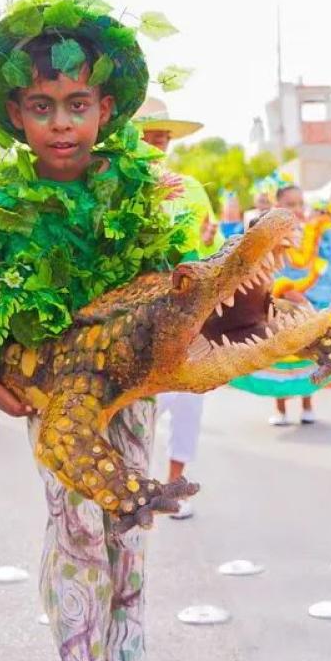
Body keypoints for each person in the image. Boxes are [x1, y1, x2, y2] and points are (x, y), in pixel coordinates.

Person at [0, 0, 193, 661]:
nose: (62, 123)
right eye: (42, 107)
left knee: (127, 518)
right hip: (51, 403)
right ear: (16, 114)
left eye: (78, 105)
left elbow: (179, 288)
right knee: (73, 522)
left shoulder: (141, 196)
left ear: (107, 110)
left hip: (131, 393)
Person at [136, 97, 209, 522]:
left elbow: (202, 244)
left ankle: (175, 483)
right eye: (150, 133)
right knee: (143, 400)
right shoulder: (114, 184)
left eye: (164, 133)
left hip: (185, 304)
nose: (160, 140)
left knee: (189, 395)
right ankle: (133, 483)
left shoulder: (192, 187)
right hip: (135, 309)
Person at [230, 176, 331, 425]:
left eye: (300, 203)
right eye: (290, 204)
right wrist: (279, 293)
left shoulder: (311, 234)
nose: (297, 209)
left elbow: (329, 266)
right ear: (277, 206)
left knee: (307, 351)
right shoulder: (268, 237)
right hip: (276, 304)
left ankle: (307, 404)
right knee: (279, 352)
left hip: (306, 301)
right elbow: (257, 270)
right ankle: (280, 409)